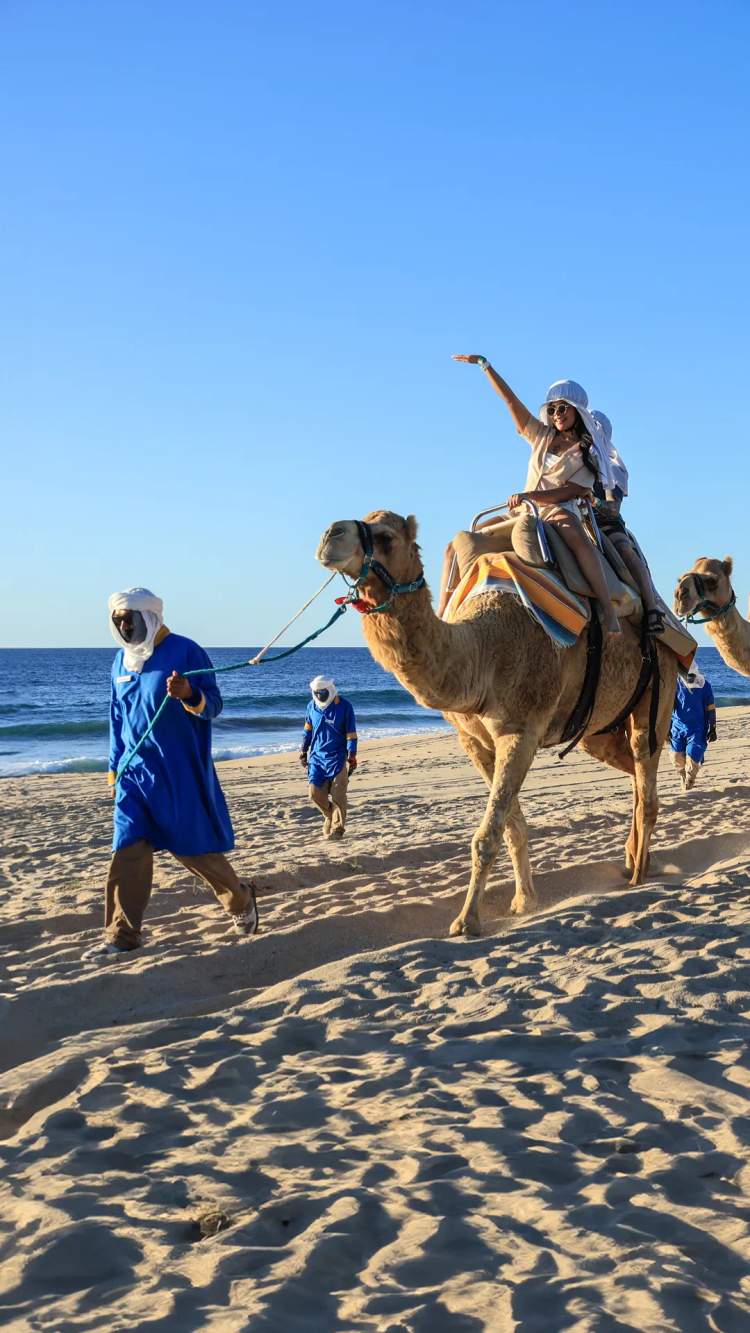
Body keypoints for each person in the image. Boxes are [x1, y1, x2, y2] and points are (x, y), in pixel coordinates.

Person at [83, 587, 258, 960]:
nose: (123, 626)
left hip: (177, 772)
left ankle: (240, 899)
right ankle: (122, 936)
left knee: (192, 850)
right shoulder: (120, 662)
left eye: (129, 619)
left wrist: (189, 693)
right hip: (134, 774)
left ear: (150, 617)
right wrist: (114, 768)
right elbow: (117, 719)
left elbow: (214, 706)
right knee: (127, 849)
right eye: (117, 621)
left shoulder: (187, 651)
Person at [440, 359, 620, 635]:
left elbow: (570, 491)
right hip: (522, 511)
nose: (557, 414)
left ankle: (608, 610)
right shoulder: (541, 436)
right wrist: (485, 366)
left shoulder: (588, 454)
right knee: (455, 546)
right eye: (552, 409)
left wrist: (530, 495)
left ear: (577, 412)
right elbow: (511, 401)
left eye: (563, 408)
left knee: (575, 536)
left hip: (557, 510)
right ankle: (443, 616)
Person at [589, 409, 664, 634]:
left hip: (605, 524)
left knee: (624, 549)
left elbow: (613, 508)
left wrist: (593, 502)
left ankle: (652, 610)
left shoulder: (611, 468)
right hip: (569, 518)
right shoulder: (565, 458)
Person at [299, 675, 358, 839]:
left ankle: (338, 830)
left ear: (330, 690)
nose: (319, 696)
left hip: (338, 758)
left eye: (322, 692)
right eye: (316, 692)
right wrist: (303, 751)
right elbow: (307, 731)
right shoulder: (311, 706)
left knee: (339, 795)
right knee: (314, 794)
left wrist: (352, 756)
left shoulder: (344, 707)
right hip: (317, 758)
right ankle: (329, 814)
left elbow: (351, 734)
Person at [669, 667, 717, 789]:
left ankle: (689, 785)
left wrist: (713, 727)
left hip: (697, 728)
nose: (690, 677)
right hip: (677, 727)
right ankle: (682, 775)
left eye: (692, 675)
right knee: (675, 757)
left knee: (692, 760)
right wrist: (666, 726)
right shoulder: (675, 684)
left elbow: (711, 707)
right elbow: (668, 706)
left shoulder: (705, 686)